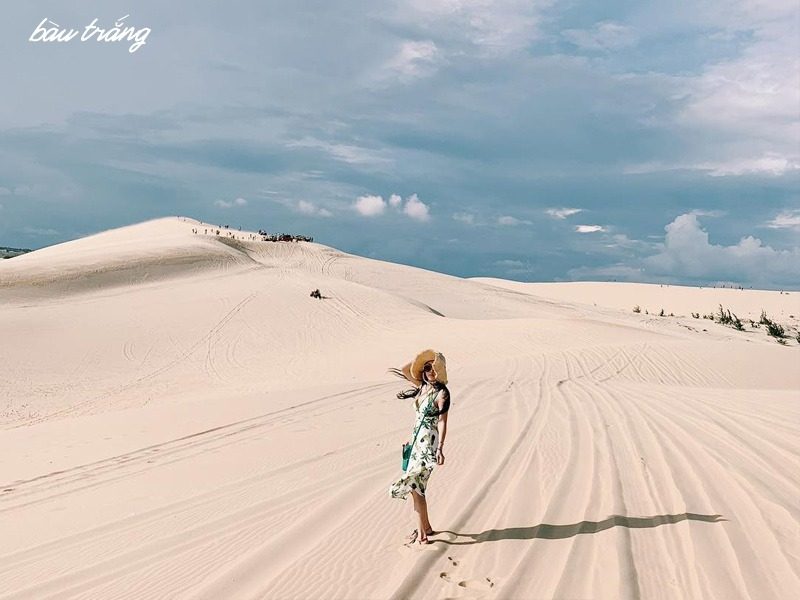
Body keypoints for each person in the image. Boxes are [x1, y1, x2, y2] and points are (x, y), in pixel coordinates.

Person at [388, 349, 451, 545]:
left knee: (416, 487)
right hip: (415, 443)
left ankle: (421, 534)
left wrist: (440, 447)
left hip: (428, 445)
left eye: (433, 368)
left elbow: (442, 421)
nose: (429, 371)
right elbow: (405, 370)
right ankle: (427, 528)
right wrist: (422, 359)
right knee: (417, 487)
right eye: (426, 368)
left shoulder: (442, 392)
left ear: (439, 370)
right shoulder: (422, 387)